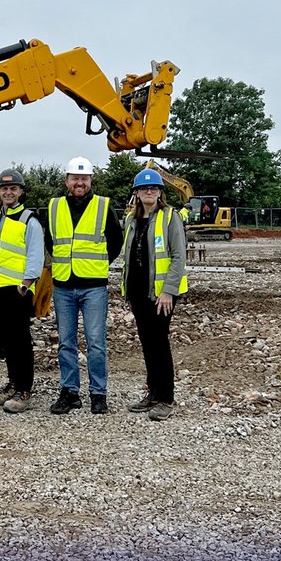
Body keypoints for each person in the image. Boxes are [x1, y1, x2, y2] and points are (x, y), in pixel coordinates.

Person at [46, 156, 123, 416]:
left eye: (84, 178)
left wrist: (98, 265)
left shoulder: (104, 206)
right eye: (75, 178)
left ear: (90, 180)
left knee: (96, 342)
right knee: (66, 343)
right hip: (63, 284)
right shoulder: (54, 206)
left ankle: (98, 394)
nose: (79, 182)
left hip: (93, 286)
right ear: (67, 181)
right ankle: (70, 392)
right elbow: (51, 241)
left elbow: (115, 242)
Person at [121, 167, 188, 422]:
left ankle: (165, 398)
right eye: (144, 188)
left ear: (160, 193)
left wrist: (168, 291)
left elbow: (179, 257)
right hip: (139, 291)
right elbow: (129, 257)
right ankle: (153, 393)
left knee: (159, 343)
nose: (149, 191)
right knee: (148, 344)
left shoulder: (170, 217)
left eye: (154, 188)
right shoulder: (131, 220)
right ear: (136, 194)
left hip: (162, 293)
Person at [0, 169, 44, 414]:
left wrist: (26, 284)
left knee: (20, 341)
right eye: (4, 188)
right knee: (6, 340)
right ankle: (12, 384)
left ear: (20, 192)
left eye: (13, 188)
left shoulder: (29, 220)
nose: (8, 192)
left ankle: (24, 390)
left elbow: (35, 255)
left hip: (18, 289)